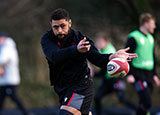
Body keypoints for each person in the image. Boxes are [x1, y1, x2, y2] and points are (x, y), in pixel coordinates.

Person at [40, 8, 137, 115]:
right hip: (61, 87)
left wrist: (112, 56)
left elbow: (97, 59)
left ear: (70, 23)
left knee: (65, 113)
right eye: (55, 27)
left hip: (81, 86)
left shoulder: (81, 39)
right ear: (51, 25)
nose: (59, 30)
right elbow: (54, 56)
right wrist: (76, 49)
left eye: (63, 26)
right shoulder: (47, 39)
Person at [93, 32, 137, 115]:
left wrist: (94, 74)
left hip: (116, 79)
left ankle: (140, 111)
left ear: (106, 42)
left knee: (122, 99)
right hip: (107, 81)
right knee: (97, 97)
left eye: (100, 42)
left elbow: (104, 70)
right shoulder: (102, 50)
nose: (97, 44)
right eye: (97, 42)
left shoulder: (109, 51)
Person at [125, 13, 160, 115]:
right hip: (138, 74)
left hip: (149, 74)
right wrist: (129, 73)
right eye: (152, 24)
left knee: (144, 103)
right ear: (145, 23)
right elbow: (127, 55)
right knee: (147, 101)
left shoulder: (151, 38)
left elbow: (152, 57)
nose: (154, 26)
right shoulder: (134, 37)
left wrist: (155, 75)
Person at [0, 33, 31, 115]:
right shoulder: (9, 47)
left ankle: (26, 113)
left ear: (3, 38)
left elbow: (3, 60)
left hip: (9, 80)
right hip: (7, 80)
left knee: (14, 97)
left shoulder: (6, 47)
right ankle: (26, 112)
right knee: (1, 98)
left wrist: (1, 69)